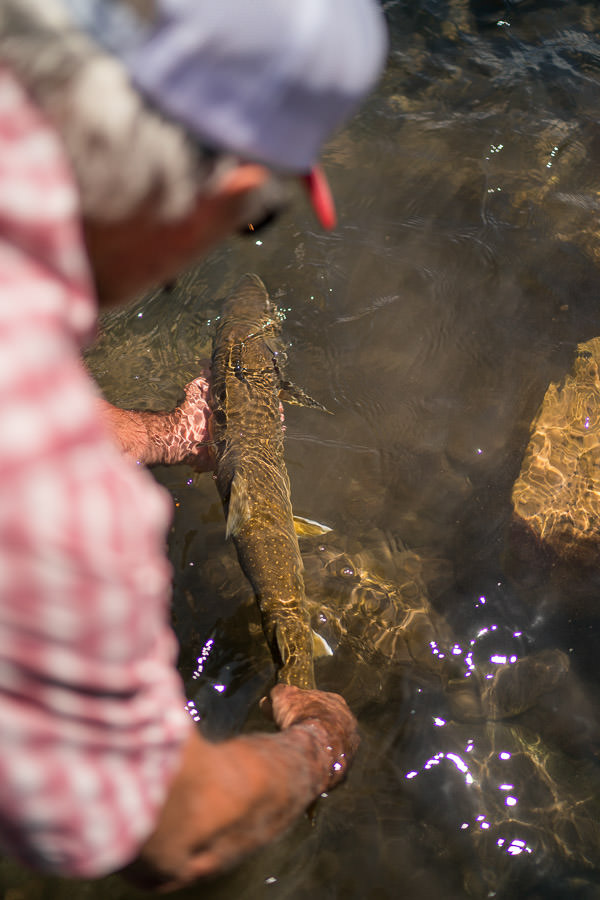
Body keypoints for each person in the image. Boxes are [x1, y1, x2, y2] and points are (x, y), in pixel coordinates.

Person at [0, 0, 387, 891]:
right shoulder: (71, 512)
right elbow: (174, 832)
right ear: (226, 196)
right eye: (258, 217)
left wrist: (166, 436)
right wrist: (318, 742)